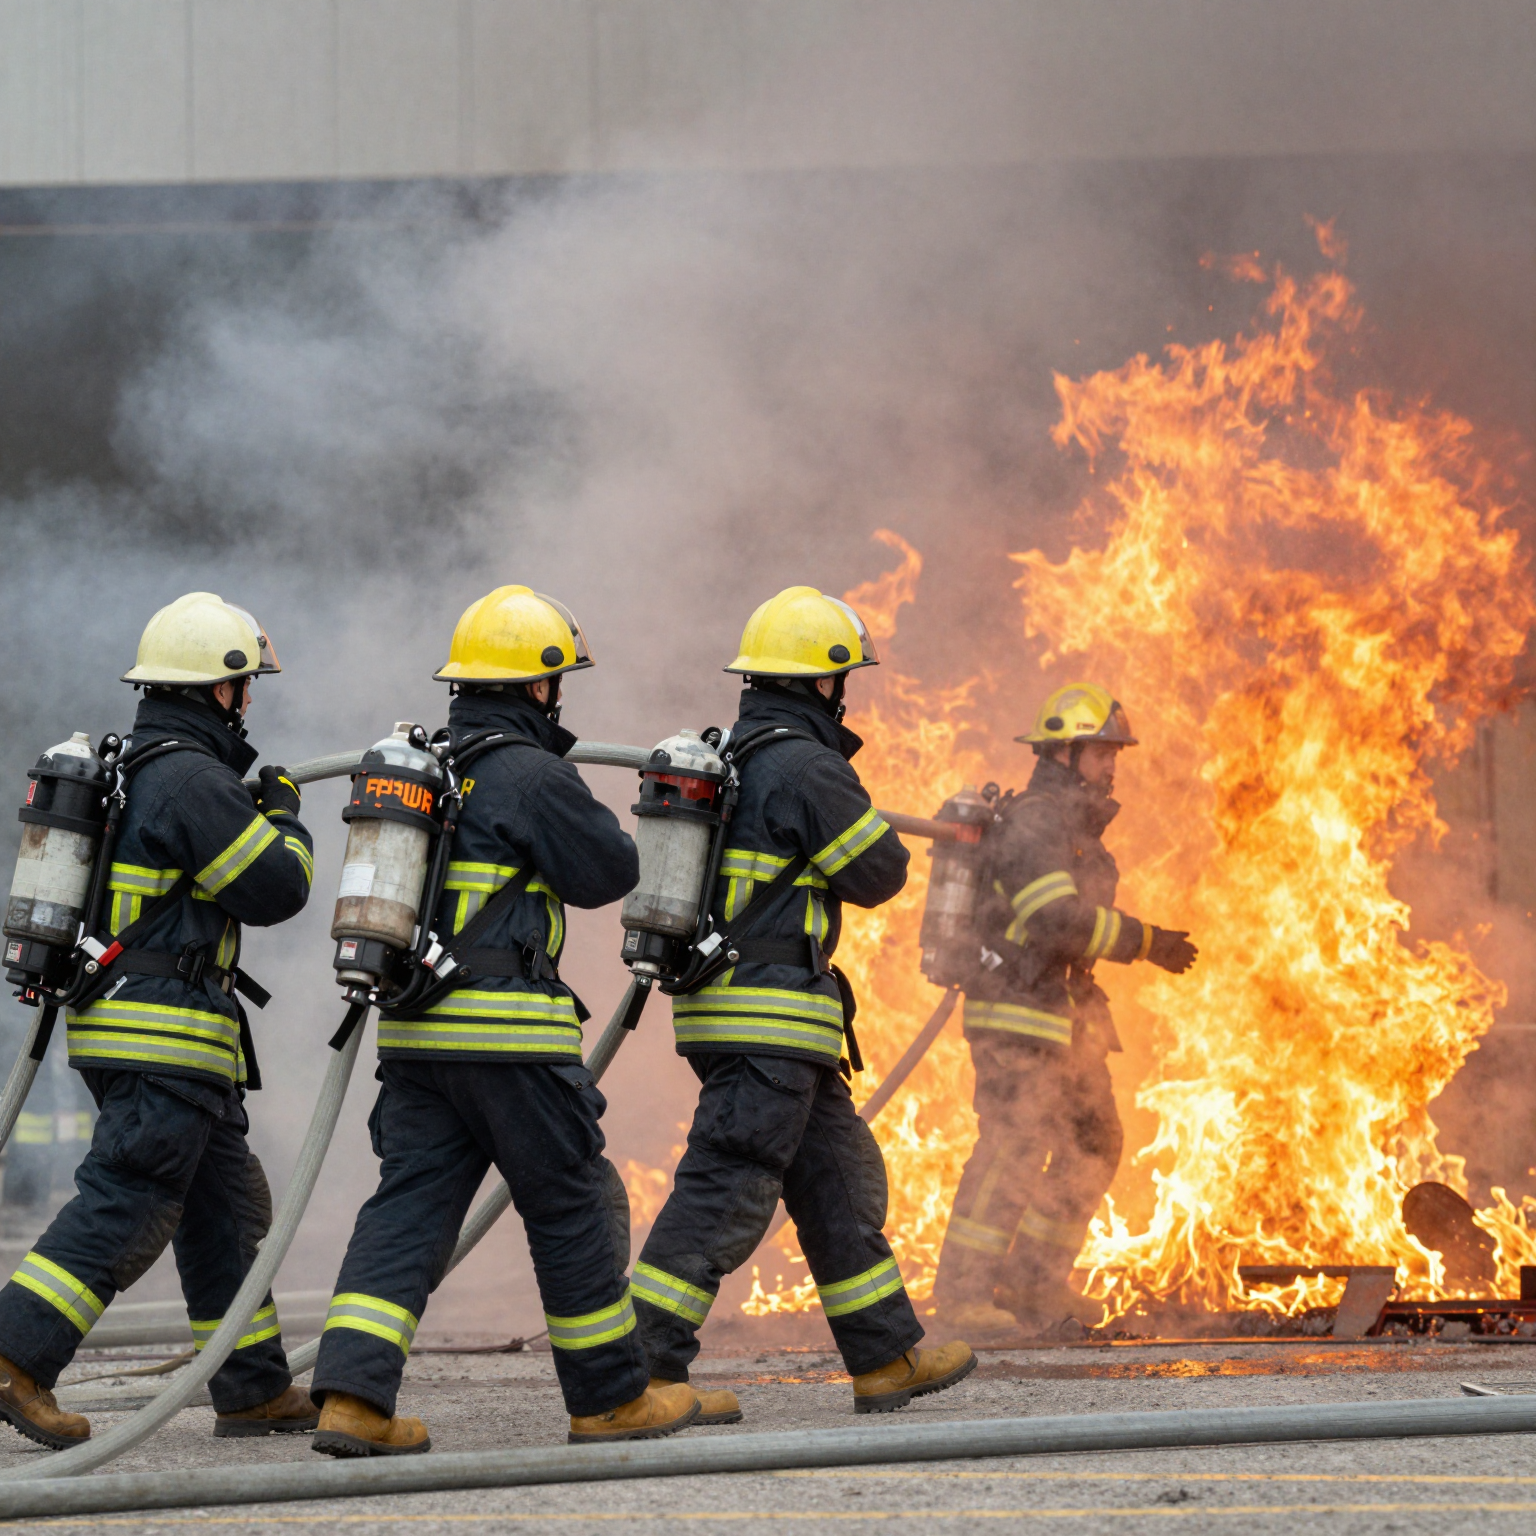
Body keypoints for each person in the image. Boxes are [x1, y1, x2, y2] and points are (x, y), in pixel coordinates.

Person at [310, 585, 693, 1456]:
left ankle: (352, 1400)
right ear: (537, 687)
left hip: (413, 1038)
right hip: (508, 1040)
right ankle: (609, 1400)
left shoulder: (424, 766)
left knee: (407, 1208)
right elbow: (608, 872)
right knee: (572, 1201)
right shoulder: (530, 773)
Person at [631, 585, 975, 1416]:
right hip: (770, 1017)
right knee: (725, 1188)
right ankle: (642, 1372)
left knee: (835, 1183)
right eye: (842, 678)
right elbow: (878, 871)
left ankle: (885, 1357)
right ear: (821, 683)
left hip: (760, 1018)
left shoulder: (738, 756)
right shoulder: (807, 765)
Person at [0, 592, 317, 1448]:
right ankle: (16, 1355)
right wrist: (284, 814)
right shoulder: (188, 778)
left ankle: (250, 1388)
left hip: (154, 1034)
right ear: (218, 689)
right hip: (163, 1036)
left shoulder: (147, 769)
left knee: (223, 1212)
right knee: (132, 1199)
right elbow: (277, 888)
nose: (248, 702)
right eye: (243, 686)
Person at [933, 683, 1198, 1336]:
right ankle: (964, 1294)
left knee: (1094, 1141)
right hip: (1016, 1013)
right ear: (1065, 751)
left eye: (1116, 754)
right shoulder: (1036, 822)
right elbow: (1052, 920)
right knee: (1013, 1145)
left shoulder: (1075, 826)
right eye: (1102, 752)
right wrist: (1145, 941)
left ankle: (1033, 1282)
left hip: (1067, 1018)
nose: (1112, 766)